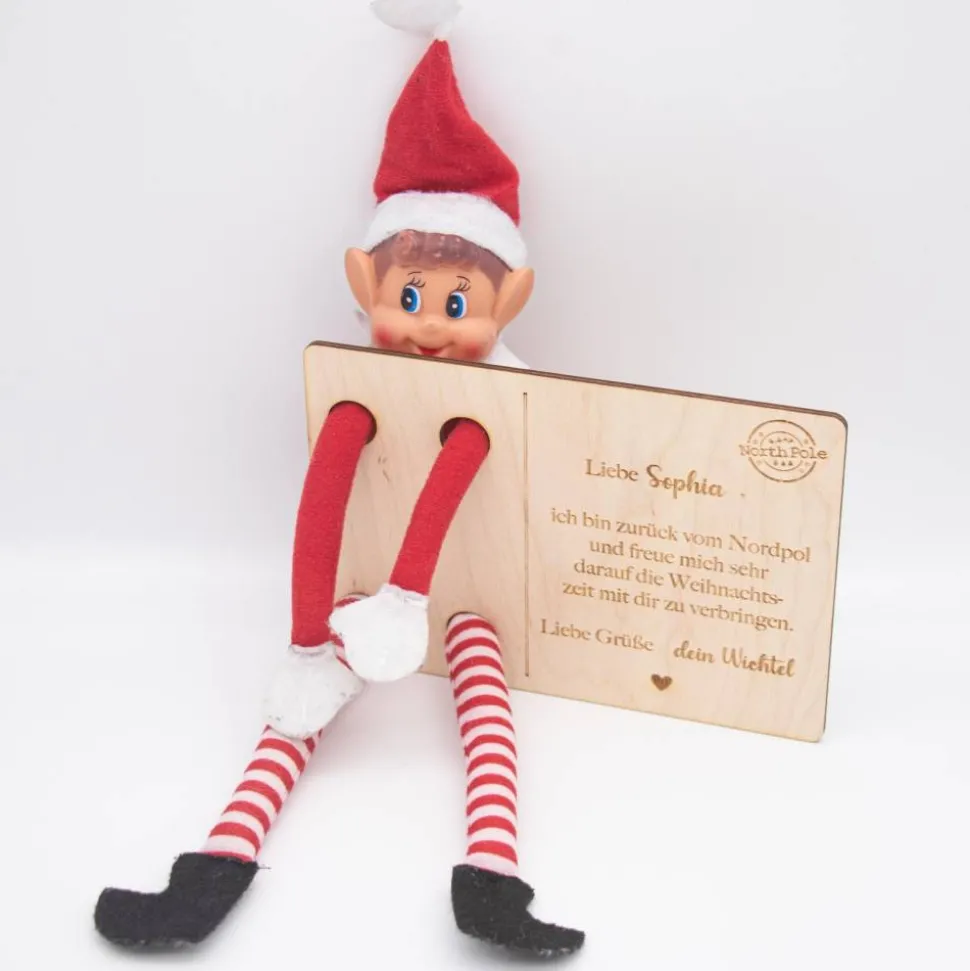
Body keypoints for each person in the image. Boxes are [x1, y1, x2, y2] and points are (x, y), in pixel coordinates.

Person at [94, 13, 585, 960]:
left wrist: (410, 603)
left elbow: (459, 469)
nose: (430, 325)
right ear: (366, 285)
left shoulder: (497, 395)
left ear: (508, 302)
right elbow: (324, 487)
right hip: (360, 593)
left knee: (485, 698)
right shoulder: (356, 387)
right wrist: (311, 639)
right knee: (295, 708)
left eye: (456, 303)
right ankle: (212, 868)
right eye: (410, 297)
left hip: (468, 592)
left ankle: (492, 879)